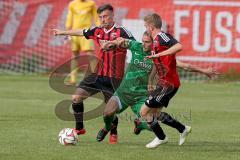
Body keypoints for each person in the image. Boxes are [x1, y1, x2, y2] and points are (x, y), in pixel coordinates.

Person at [96, 32, 217, 146]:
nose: (144, 44)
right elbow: (120, 41)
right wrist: (109, 44)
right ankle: (107, 127)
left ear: (153, 43)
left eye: (147, 42)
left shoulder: (160, 57)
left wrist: (204, 71)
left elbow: (185, 66)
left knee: (152, 123)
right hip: (124, 92)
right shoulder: (136, 46)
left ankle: (141, 125)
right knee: (107, 113)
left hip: (141, 97)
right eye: (143, 41)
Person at [52, 4, 135, 144]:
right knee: (76, 98)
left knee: (110, 110)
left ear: (113, 16)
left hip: (115, 79)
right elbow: (81, 32)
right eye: (100, 17)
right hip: (97, 75)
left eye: (105, 16)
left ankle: (113, 132)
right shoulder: (97, 30)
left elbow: (135, 46)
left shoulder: (123, 31)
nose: (103, 20)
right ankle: (80, 128)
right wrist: (62, 32)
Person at [66, 0, 100, 84]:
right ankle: (73, 80)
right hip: (74, 32)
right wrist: (67, 31)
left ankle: (96, 78)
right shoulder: (73, 4)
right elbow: (69, 18)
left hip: (86, 32)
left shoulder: (91, 3)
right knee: (74, 55)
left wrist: (99, 28)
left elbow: (96, 17)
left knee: (90, 54)